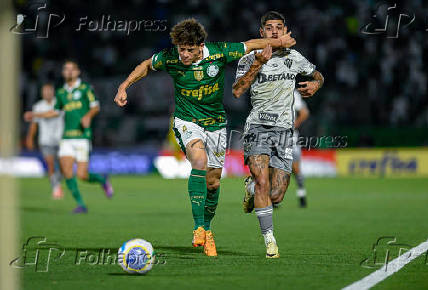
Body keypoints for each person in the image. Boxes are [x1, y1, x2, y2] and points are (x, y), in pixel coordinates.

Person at [114, 18, 296, 256]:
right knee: (198, 160)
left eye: (190, 50)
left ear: (201, 46)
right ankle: (198, 227)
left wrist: (278, 41)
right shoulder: (169, 57)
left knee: (213, 182)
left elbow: (250, 44)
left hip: (216, 125)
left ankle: (208, 230)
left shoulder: (219, 53)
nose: (185, 55)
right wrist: (123, 86)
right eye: (182, 50)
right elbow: (147, 65)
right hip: (187, 121)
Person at [232, 11, 324, 258]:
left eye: (279, 28)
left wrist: (316, 84)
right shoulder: (250, 57)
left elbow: (318, 75)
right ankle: (270, 240)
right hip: (257, 127)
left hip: (284, 131)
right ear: (261, 33)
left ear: (285, 32)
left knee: (277, 194)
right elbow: (237, 91)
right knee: (263, 181)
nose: (274, 32)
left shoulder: (294, 58)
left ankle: (250, 191)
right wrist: (258, 63)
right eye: (269, 28)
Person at [24, 60, 113, 213]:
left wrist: (88, 116)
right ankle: (81, 205)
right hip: (67, 138)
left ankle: (102, 180)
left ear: (78, 72)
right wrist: (35, 114)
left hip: (83, 137)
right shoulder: (61, 92)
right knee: (67, 172)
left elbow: (96, 107)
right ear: (63, 73)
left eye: (72, 69)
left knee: (82, 175)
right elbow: (55, 112)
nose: (69, 71)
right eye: (66, 69)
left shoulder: (85, 89)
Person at [25, 83, 64, 199]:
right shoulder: (38, 106)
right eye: (45, 91)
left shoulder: (59, 103)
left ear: (53, 92)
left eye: (49, 91)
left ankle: (57, 181)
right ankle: (56, 188)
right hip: (45, 141)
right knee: (50, 164)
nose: (47, 93)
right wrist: (30, 138)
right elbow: (34, 124)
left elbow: (52, 115)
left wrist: (34, 114)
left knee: (64, 167)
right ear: (42, 93)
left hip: (60, 140)